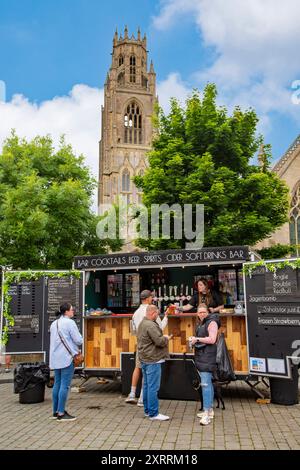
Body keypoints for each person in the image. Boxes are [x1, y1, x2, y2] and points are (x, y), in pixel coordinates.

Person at [125, 289, 168, 405]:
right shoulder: (151, 311)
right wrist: (167, 317)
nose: (152, 299)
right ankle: (142, 399)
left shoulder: (135, 313)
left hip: (140, 345)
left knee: (138, 368)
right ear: (148, 298)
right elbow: (160, 328)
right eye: (151, 297)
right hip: (150, 347)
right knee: (148, 372)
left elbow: (133, 331)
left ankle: (132, 393)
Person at [137, 304, 172, 421]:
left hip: (145, 358)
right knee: (153, 387)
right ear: (153, 313)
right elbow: (159, 342)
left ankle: (148, 411)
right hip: (153, 359)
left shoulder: (142, 323)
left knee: (147, 386)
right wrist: (166, 338)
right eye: (157, 314)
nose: (157, 316)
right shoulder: (151, 325)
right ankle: (153, 413)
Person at [50, 302, 83, 422]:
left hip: (55, 358)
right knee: (65, 385)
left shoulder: (54, 323)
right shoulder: (70, 323)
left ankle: (55, 411)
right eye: (72, 310)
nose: (73, 311)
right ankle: (61, 413)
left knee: (57, 384)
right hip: (67, 358)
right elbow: (78, 340)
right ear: (66, 312)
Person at [189, 303, 220, 426]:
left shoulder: (212, 323)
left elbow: (212, 339)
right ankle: (210, 410)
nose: (202, 314)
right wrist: (194, 341)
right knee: (207, 383)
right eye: (200, 312)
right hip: (202, 356)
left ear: (208, 312)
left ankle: (206, 414)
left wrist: (197, 339)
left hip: (208, 356)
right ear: (197, 313)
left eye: (204, 312)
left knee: (205, 384)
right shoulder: (201, 323)